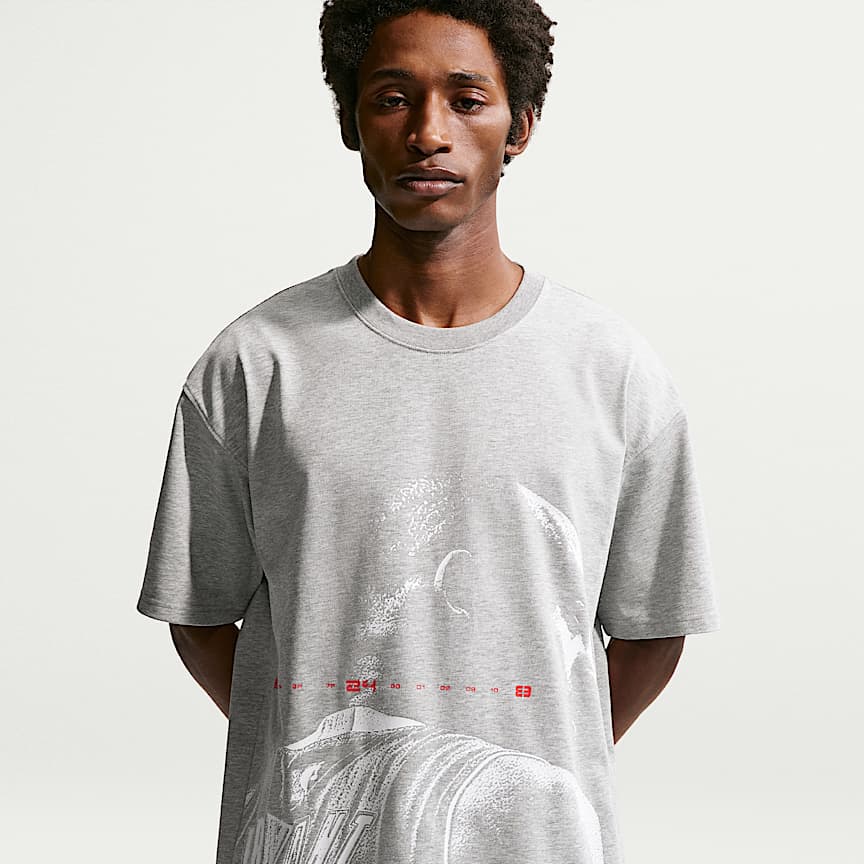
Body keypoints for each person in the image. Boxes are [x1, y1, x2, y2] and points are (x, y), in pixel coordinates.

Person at [136, 2, 721, 862]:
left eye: (467, 98)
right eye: (392, 98)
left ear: (521, 126)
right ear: (350, 122)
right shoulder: (255, 364)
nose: (428, 133)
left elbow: (652, 628)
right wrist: (336, 763)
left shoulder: (613, 371)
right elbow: (199, 615)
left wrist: (525, 766)